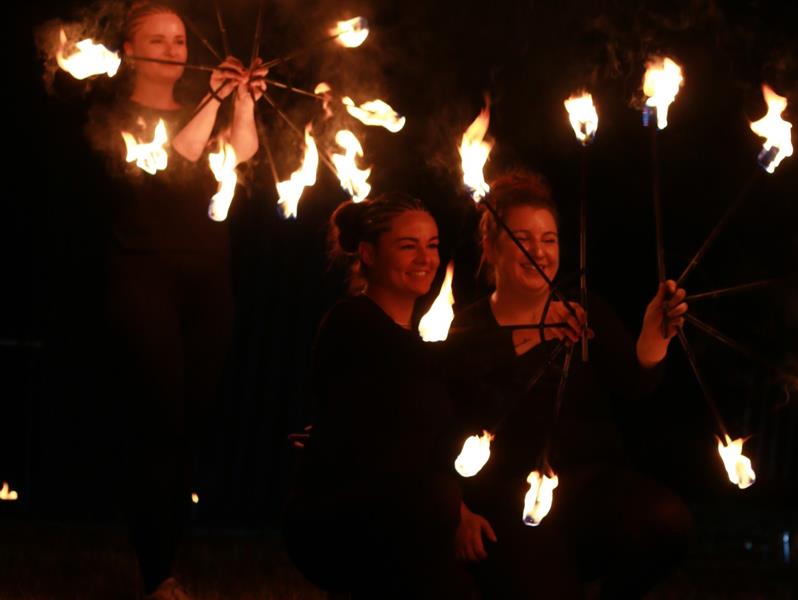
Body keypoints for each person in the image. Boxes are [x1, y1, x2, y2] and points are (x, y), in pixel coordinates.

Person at [452, 170, 693, 599]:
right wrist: (458, 510)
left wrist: (653, 336)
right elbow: (446, 423)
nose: (539, 252)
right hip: (509, 503)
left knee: (667, 520)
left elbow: (634, 383)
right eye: (523, 239)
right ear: (490, 247)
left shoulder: (583, 310)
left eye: (549, 239)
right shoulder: (469, 328)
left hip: (592, 487)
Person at [93, 3, 265, 598]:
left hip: (208, 279)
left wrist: (242, 102)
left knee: (190, 421)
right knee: (159, 419)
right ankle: (158, 571)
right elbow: (171, 160)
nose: (173, 50)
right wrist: (213, 98)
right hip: (143, 278)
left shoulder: (201, 109)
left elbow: (239, 154)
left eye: (179, 40)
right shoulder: (115, 114)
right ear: (129, 52)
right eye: (158, 40)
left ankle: (165, 553)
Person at [284, 192, 530, 599]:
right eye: (407, 246)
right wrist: (531, 331)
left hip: (409, 509)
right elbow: (423, 369)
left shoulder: (417, 342)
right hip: (340, 516)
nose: (425, 259)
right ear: (368, 254)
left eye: (432, 245)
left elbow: (439, 435)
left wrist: (461, 509)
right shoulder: (352, 323)